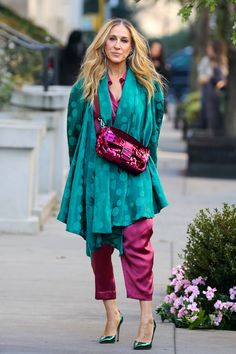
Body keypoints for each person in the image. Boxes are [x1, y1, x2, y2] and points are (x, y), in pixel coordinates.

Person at [57, 18, 168, 350]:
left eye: (124, 40)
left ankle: (146, 319)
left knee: (139, 244)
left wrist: (149, 171)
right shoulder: (86, 87)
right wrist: (82, 177)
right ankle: (111, 314)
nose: (117, 45)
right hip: (98, 177)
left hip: (134, 176)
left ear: (132, 48)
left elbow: (154, 133)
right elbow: (74, 133)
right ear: (103, 44)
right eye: (112, 39)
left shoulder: (148, 87)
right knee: (100, 248)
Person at [197, 39, 228, 133]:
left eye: (210, 48)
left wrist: (221, 83)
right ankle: (208, 128)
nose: (207, 50)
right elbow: (200, 78)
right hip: (208, 90)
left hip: (221, 92)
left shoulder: (224, 60)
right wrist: (210, 77)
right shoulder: (205, 61)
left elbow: (226, 77)